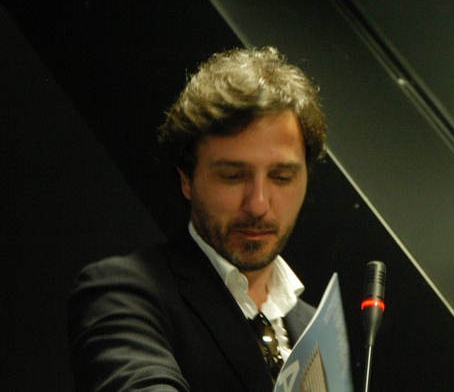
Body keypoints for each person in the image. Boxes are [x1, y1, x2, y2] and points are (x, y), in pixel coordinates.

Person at [68, 47, 327, 391]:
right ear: (187, 180)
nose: (258, 205)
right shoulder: (122, 294)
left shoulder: (313, 326)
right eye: (233, 176)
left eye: (281, 177)